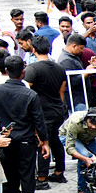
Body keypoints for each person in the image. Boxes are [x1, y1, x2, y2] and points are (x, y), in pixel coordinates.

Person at [0, 56, 50, 193]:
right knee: (27, 176)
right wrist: (45, 142)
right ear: (22, 73)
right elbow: (39, 120)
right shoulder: (30, 94)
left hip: (5, 140)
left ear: (5, 71)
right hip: (25, 141)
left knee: (8, 176)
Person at [25, 34, 68, 184]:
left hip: (42, 112)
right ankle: (59, 171)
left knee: (43, 143)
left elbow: (27, 92)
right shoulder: (59, 68)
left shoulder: (32, 69)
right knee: (55, 140)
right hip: (57, 109)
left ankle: (42, 177)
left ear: (34, 49)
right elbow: (61, 92)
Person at [61, 106, 96, 193]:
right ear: (87, 119)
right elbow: (70, 148)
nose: (93, 127)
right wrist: (85, 159)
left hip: (89, 138)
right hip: (68, 137)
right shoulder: (75, 122)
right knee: (84, 155)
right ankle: (81, 188)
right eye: (91, 124)